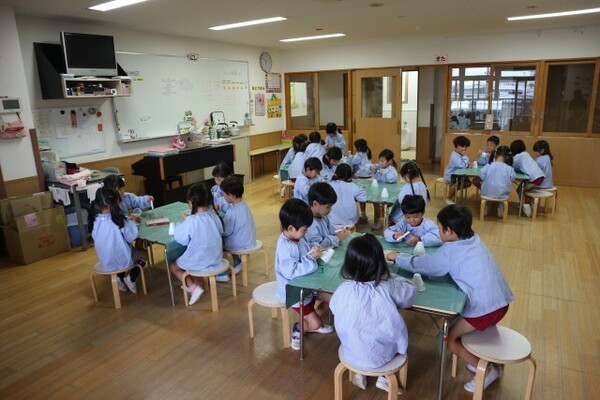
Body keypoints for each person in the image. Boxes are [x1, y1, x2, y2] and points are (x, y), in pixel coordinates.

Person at [386, 204, 514, 394]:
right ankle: (480, 360)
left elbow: (426, 265)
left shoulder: (452, 252)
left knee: (449, 338)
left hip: (486, 309)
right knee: (456, 325)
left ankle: (486, 370)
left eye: (440, 228)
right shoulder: (473, 238)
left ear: (450, 231)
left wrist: (397, 257)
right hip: (501, 301)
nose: (438, 232)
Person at [330, 234, 416, 394]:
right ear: (380, 263)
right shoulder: (388, 286)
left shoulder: (344, 288)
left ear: (348, 265)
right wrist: (390, 276)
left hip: (351, 349)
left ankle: (360, 372)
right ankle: (384, 377)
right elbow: (409, 295)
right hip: (382, 355)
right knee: (391, 341)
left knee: (362, 334)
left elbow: (334, 307)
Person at [275, 199, 333, 351]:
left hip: (308, 286)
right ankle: (298, 329)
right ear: (291, 228)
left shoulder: (297, 237)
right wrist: (311, 258)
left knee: (334, 298)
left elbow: (305, 252)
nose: (306, 232)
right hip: (295, 293)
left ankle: (312, 318)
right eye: (304, 229)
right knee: (315, 323)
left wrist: (314, 250)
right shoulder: (285, 246)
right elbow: (292, 272)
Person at [169, 183, 224, 306]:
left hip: (202, 259)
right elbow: (220, 231)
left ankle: (193, 287)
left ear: (191, 202)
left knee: (174, 266)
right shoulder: (213, 215)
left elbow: (181, 239)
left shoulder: (191, 220)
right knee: (193, 258)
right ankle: (197, 283)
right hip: (215, 257)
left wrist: (183, 223)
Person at [90, 187, 147, 294]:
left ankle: (120, 278)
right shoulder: (118, 219)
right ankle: (131, 277)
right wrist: (134, 222)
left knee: (126, 251)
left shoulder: (96, 220)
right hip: (120, 258)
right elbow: (132, 236)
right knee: (144, 254)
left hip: (105, 260)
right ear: (116, 202)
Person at [217, 176, 257, 283]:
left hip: (240, 244)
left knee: (217, 241)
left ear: (231, 196)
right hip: (250, 241)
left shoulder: (232, 212)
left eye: (224, 194)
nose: (223, 197)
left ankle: (221, 273)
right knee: (232, 237)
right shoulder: (244, 205)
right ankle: (237, 261)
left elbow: (226, 231)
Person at [305, 182, 351, 248]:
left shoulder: (323, 216)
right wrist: (337, 238)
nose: (330, 210)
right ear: (315, 204)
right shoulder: (309, 223)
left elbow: (332, 230)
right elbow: (318, 247)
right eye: (328, 207)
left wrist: (339, 232)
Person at [509, 139, 545, 217]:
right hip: (540, 176)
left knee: (520, 190)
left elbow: (512, 165)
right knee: (525, 189)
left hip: (534, 178)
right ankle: (527, 204)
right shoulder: (526, 154)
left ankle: (526, 208)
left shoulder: (517, 157)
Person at [479, 146, 515, 218]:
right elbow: (512, 179)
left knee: (487, 188)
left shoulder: (488, 166)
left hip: (486, 194)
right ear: (508, 157)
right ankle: (501, 208)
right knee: (502, 190)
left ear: (495, 154)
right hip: (503, 195)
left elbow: (481, 176)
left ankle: (485, 207)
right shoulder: (510, 169)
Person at [328, 163, 367, 228]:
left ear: (336, 174)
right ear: (350, 176)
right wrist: (362, 189)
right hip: (349, 222)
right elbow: (363, 199)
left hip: (332, 221)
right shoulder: (353, 186)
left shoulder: (329, 185)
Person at [370, 149, 398, 230]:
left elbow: (392, 179)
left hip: (389, 192)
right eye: (380, 160)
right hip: (379, 189)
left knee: (383, 203)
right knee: (375, 202)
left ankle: (386, 219)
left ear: (389, 161)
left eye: (382, 161)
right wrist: (372, 167)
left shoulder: (392, 169)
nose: (380, 162)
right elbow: (371, 168)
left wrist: (384, 173)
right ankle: (377, 221)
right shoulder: (379, 166)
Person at [347, 138, 373, 224]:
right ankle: (375, 217)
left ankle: (363, 214)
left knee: (361, 196)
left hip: (361, 176)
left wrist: (350, 155)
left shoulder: (359, 154)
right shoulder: (368, 151)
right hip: (369, 175)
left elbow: (354, 161)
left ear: (358, 147)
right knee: (370, 196)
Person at [443, 135, 471, 205]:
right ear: (458, 146)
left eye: (466, 147)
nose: (465, 149)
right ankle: (448, 198)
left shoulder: (459, 154)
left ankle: (453, 192)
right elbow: (462, 166)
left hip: (458, 175)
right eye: (463, 147)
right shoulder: (454, 155)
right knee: (458, 183)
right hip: (451, 175)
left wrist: (467, 164)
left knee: (468, 183)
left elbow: (466, 164)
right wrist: (465, 158)